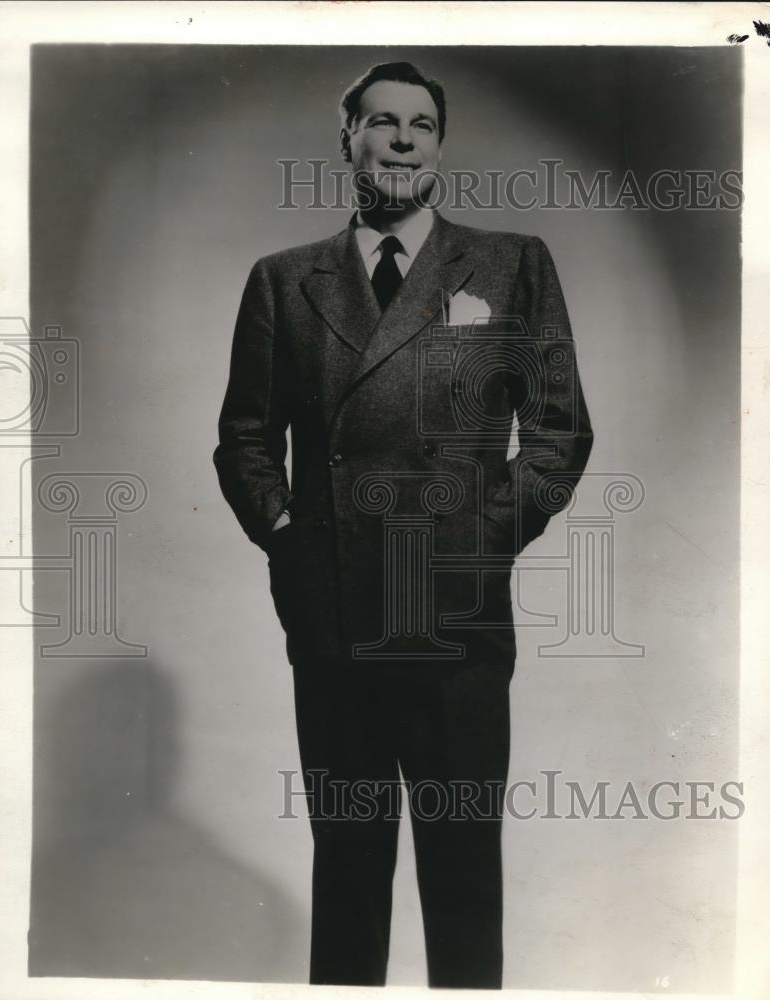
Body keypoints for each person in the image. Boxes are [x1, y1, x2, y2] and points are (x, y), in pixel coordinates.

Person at [213, 61, 594, 989]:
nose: (400, 140)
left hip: (457, 616)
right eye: (380, 122)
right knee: (348, 876)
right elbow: (244, 441)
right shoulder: (283, 281)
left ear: (438, 146)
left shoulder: (509, 264)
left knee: (463, 880)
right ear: (344, 141)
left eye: (420, 125)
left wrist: (478, 535)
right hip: (336, 615)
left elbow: (559, 432)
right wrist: (294, 538)